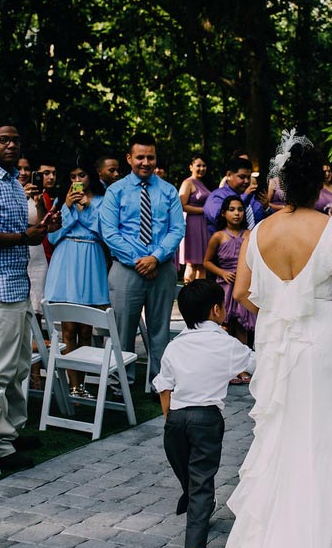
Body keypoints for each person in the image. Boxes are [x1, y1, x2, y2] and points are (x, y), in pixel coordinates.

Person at [149, 136, 332, 548]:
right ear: (319, 180)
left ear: (278, 183)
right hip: (321, 343)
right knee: (317, 444)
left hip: (277, 344)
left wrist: (282, 313)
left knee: (277, 442)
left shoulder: (256, 232)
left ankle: (272, 536)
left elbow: (242, 293)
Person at [152, 279, 257, 548]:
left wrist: (170, 420)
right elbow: (257, 365)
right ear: (216, 310)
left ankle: (198, 507)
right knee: (200, 480)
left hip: (175, 418)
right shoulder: (226, 344)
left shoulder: (175, 346)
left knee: (188, 472)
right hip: (206, 419)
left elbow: (164, 386)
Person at [0, 123, 60, 471]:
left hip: (17, 285)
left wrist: (40, 230)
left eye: (15, 139)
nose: (11, 144)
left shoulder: (12, 181)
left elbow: (24, 230)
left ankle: (9, 431)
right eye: (3, 140)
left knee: (18, 368)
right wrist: (21, 238)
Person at [100, 132, 185, 389]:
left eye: (150, 157)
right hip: (126, 269)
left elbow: (176, 229)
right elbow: (110, 232)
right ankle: (119, 385)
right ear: (129, 158)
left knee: (160, 330)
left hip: (162, 269)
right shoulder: (116, 191)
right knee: (122, 330)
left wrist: (156, 258)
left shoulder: (168, 191)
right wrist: (140, 260)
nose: (145, 162)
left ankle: (159, 382)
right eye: (140, 157)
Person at [43, 158, 109, 398]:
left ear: (90, 176)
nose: (77, 181)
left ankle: (83, 383)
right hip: (66, 259)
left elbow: (103, 233)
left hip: (91, 259)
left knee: (86, 329)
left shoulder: (102, 202)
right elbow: (52, 238)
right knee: (68, 328)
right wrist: (68, 209)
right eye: (72, 177)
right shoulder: (62, 203)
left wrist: (87, 207)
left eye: (81, 175)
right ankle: (74, 385)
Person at [203, 196, 256, 355]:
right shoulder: (218, 236)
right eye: (232, 209)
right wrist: (222, 272)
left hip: (244, 285)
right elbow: (206, 261)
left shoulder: (249, 234)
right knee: (224, 326)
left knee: (242, 325)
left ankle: (243, 365)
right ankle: (226, 363)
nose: (237, 213)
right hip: (225, 286)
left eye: (240, 209)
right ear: (223, 213)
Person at [16, 156, 49, 318]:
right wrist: (22, 196)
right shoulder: (9, 191)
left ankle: (35, 342)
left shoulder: (37, 192)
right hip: (15, 251)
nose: (23, 172)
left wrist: (38, 203)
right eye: (19, 168)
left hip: (37, 256)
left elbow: (42, 225)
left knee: (35, 310)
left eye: (27, 168)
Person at [203, 156, 265, 235]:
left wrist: (266, 208)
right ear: (229, 175)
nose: (246, 181)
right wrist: (244, 198)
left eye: (248, 177)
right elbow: (221, 220)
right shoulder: (216, 197)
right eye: (242, 177)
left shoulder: (252, 197)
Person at [178, 154, 211, 283]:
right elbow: (182, 205)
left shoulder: (202, 183)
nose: (202, 168)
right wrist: (203, 210)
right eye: (198, 165)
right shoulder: (188, 183)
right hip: (192, 224)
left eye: (204, 166)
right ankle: (189, 292)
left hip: (204, 225)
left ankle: (200, 294)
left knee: (202, 262)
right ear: (191, 167)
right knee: (192, 262)